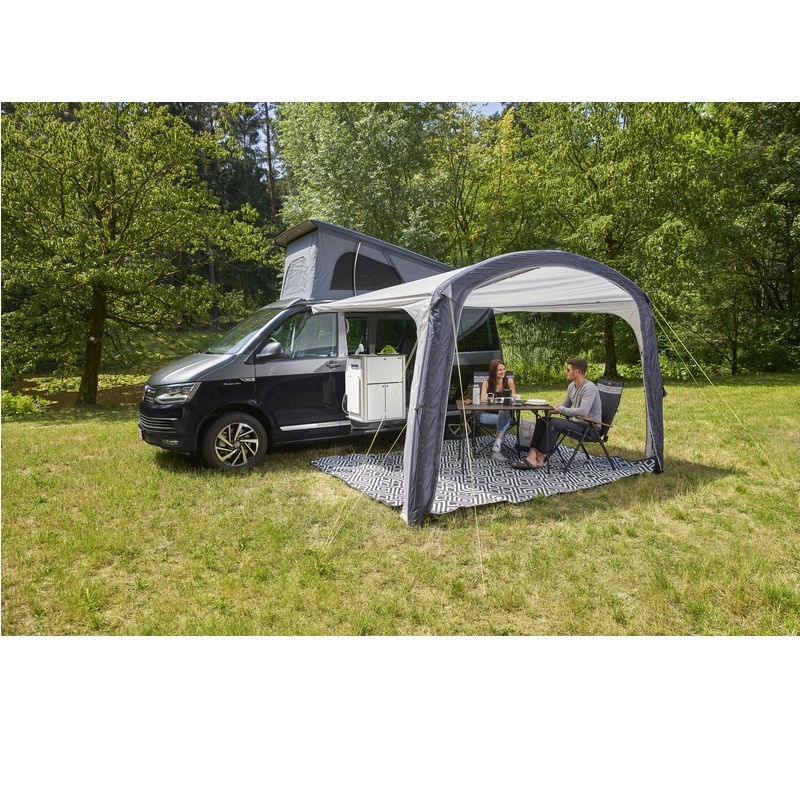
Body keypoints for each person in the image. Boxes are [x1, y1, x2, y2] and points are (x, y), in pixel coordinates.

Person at [510, 357, 602, 469]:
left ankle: (540, 458)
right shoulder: (571, 386)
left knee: (553, 424)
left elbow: (583, 411)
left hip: (590, 428)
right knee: (542, 421)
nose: (566, 372)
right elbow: (565, 405)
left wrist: (559, 409)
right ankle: (532, 456)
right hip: (578, 423)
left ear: (576, 372)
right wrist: (552, 409)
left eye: (568, 370)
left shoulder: (589, 388)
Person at [480, 358, 517, 459]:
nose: (503, 372)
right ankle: (497, 446)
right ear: (493, 371)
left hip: (504, 414)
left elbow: (514, 398)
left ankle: (497, 447)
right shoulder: (486, 383)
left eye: (504, 369)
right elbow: (482, 400)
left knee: (503, 412)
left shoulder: (509, 381)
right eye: (500, 370)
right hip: (487, 415)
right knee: (504, 420)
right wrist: (497, 400)